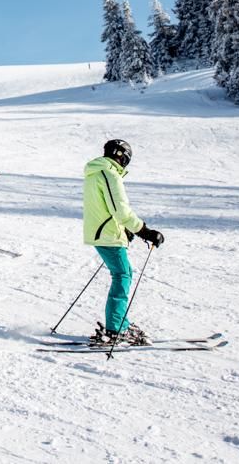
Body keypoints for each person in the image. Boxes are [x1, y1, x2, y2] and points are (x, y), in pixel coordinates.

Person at [82, 139, 164, 346]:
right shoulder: (108, 175)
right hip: (107, 236)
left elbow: (106, 208)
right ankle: (116, 327)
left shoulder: (96, 172)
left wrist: (123, 229)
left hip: (105, 232)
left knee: (124, 272)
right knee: (122, 275)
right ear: (121, 155)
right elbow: (120, 210)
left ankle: (121, 324)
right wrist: (145, 231)